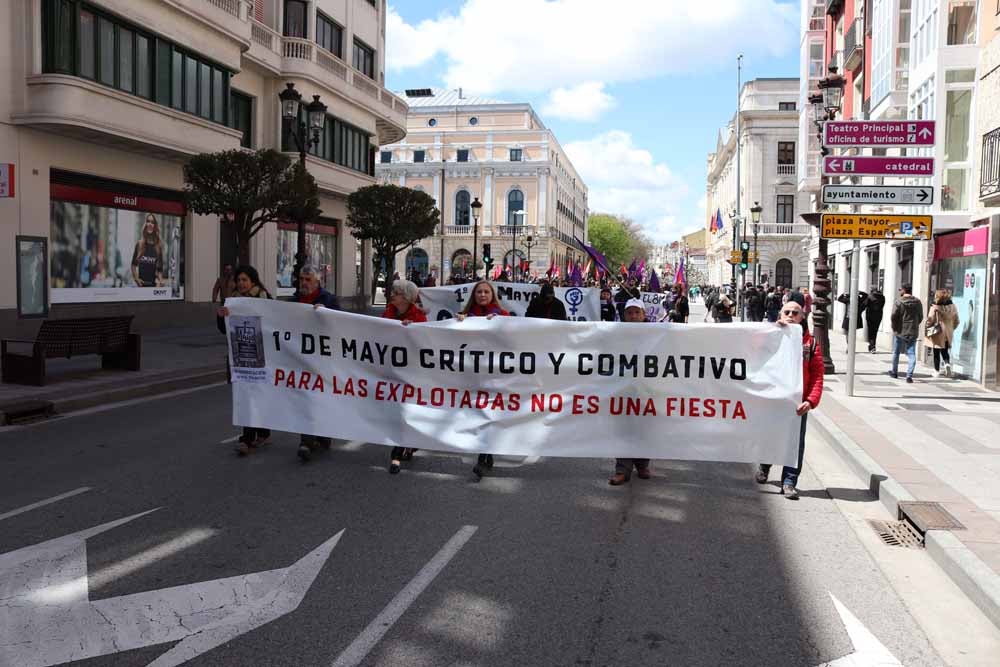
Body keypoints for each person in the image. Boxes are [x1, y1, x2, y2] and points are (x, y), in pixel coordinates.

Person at [754, 300, 823, 499]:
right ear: (780, 315)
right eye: (787, 312)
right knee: (770, 436)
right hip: (773, 399)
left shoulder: (811, 344)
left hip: (797, 404)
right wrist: (774, 332)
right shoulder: (771, 338)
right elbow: (754, 355)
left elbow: (818, 374)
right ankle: (764, 466)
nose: (791, 315)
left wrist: (810, 401)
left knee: (795, 443)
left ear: (802, 317)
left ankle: (789, 482)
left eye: (795, 312)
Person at [455, 281, 510, 479]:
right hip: (472, 375)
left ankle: (483, 457)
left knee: (490, 414)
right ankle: (486, 455)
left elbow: (513, 338)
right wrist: (458, 323)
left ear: (492, 294)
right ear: (474, 295)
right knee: (478, 414)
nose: (482, 294)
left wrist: (500, 323)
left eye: (486, 291)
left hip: (495, 374)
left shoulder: (502, 315)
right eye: (479, 292)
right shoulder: (465, 315)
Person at [217, 265, 273, 456]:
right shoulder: (232, 301)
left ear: (253, 281)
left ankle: (247, 439)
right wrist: (221, 316)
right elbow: (224, 329)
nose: (241, 283)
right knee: (246, 395)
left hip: (262, 356)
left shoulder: (264, 298)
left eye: (244, 280)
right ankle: (259, 434)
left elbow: (276, 323)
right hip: (241, 357)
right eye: (238, 280)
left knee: (254, 396)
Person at [380, 279, 428, 473]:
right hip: (391, 369)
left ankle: (397, 452)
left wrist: (411, 331)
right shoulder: (387, 313)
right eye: (393, 292)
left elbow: (423, 343)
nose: (392, 295)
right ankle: (407, 443)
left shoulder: (418, 317)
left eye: (397, 293)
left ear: (407, 297)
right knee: (396, 409)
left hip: (412, 371)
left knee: (406, 409)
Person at [294, 266, 341, 461]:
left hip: (323, 360)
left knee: (320, 398)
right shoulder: (294, 301)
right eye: (302, 279)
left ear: (317, 282)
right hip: (301, 359)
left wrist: (327, 313)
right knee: (305, 398)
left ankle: (322, 434)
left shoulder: (329, 300)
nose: (304, 283)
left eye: (308, 279)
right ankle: (305, 441)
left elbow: (341, 324)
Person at [609, 298, 654, 485]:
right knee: (624, 429)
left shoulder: (656, 334)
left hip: (647, 389)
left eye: (637, 312)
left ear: (644, 315)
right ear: (624, 315)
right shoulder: (616, 335)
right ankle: (622, 469)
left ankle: (642, 465)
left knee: (644, 429)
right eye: (630, 313)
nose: (634, 316)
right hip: (624, 389)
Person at [889, 283, 923, 383]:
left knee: (896, 352)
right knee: (911, 353)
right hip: (912, 330)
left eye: (900, 290)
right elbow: (920, 316)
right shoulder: (917, 302)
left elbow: (893, 316)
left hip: (900, 330)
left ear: (904, 290)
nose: (900, 291)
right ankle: (909, 375)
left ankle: (894, 372)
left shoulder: (898, 302)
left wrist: (894, 327)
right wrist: (915, 324)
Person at [923, 289, 959, 378]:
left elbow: (930, 319)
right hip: (948, 332)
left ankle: (936, 371)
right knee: (945, 350)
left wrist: (927, 327)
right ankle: (947, 364)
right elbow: (957, 321)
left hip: (937, 332)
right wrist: (951, 328)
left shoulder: (935, 307)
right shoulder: (953, 307)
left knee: (936, 352)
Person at [131, 214, 164, 287]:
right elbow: (133, 265)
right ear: (145, 224)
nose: (150, 224)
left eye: (152, 222)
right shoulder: (139, 244)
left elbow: (160, 269)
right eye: (148, 221)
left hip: (153, 287)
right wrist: (137, 280)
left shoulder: (158, 247)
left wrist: (160, 281)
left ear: (155, 226)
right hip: (141, 288)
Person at [864, 288, 886, 352]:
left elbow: (864, 305)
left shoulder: (870, 296)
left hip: (870, 316)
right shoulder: (882, 297)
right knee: (875, 331)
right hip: (878, 316)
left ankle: (872, 346)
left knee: (870, 331)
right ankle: (873, 346)